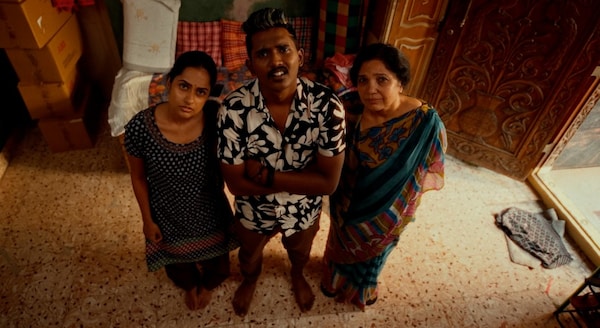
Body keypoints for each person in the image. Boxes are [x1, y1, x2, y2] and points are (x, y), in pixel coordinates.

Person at [216, 8, 346, 316]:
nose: (275, 61)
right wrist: (303, 180)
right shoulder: (233, 111)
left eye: (283, 50)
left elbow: (328, 183)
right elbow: (235, 183)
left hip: (304, 211)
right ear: (250, 65)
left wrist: (265, 175)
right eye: (263, 53)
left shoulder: (328, 107)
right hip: (252, 210)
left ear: (300, 56)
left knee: (300, 252)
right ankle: (250, 279)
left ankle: (297, 275)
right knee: (248, 254)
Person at [320, 43, 447, 310]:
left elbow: (431, 161)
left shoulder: (423, 121)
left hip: (388, 209)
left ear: (400, 83)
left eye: (382, 80)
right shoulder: (349, 108)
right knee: (339, 241)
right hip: (347, 202)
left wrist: (404, 204)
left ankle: (363, 288)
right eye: (363, 81)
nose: (370, 89)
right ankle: (334, 279)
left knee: (374, 253)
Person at [124, 51, 238, 311]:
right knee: (179, 267)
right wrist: (147, 219)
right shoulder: (140, 128)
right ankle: (190, 285)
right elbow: (138, 176)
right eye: (184, 86)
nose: (189, 99)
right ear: (169, 82)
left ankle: (207, 285)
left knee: (219, 267)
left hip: (211, 212)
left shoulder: (215, 119)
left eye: (200, 92)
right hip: (167, 216)